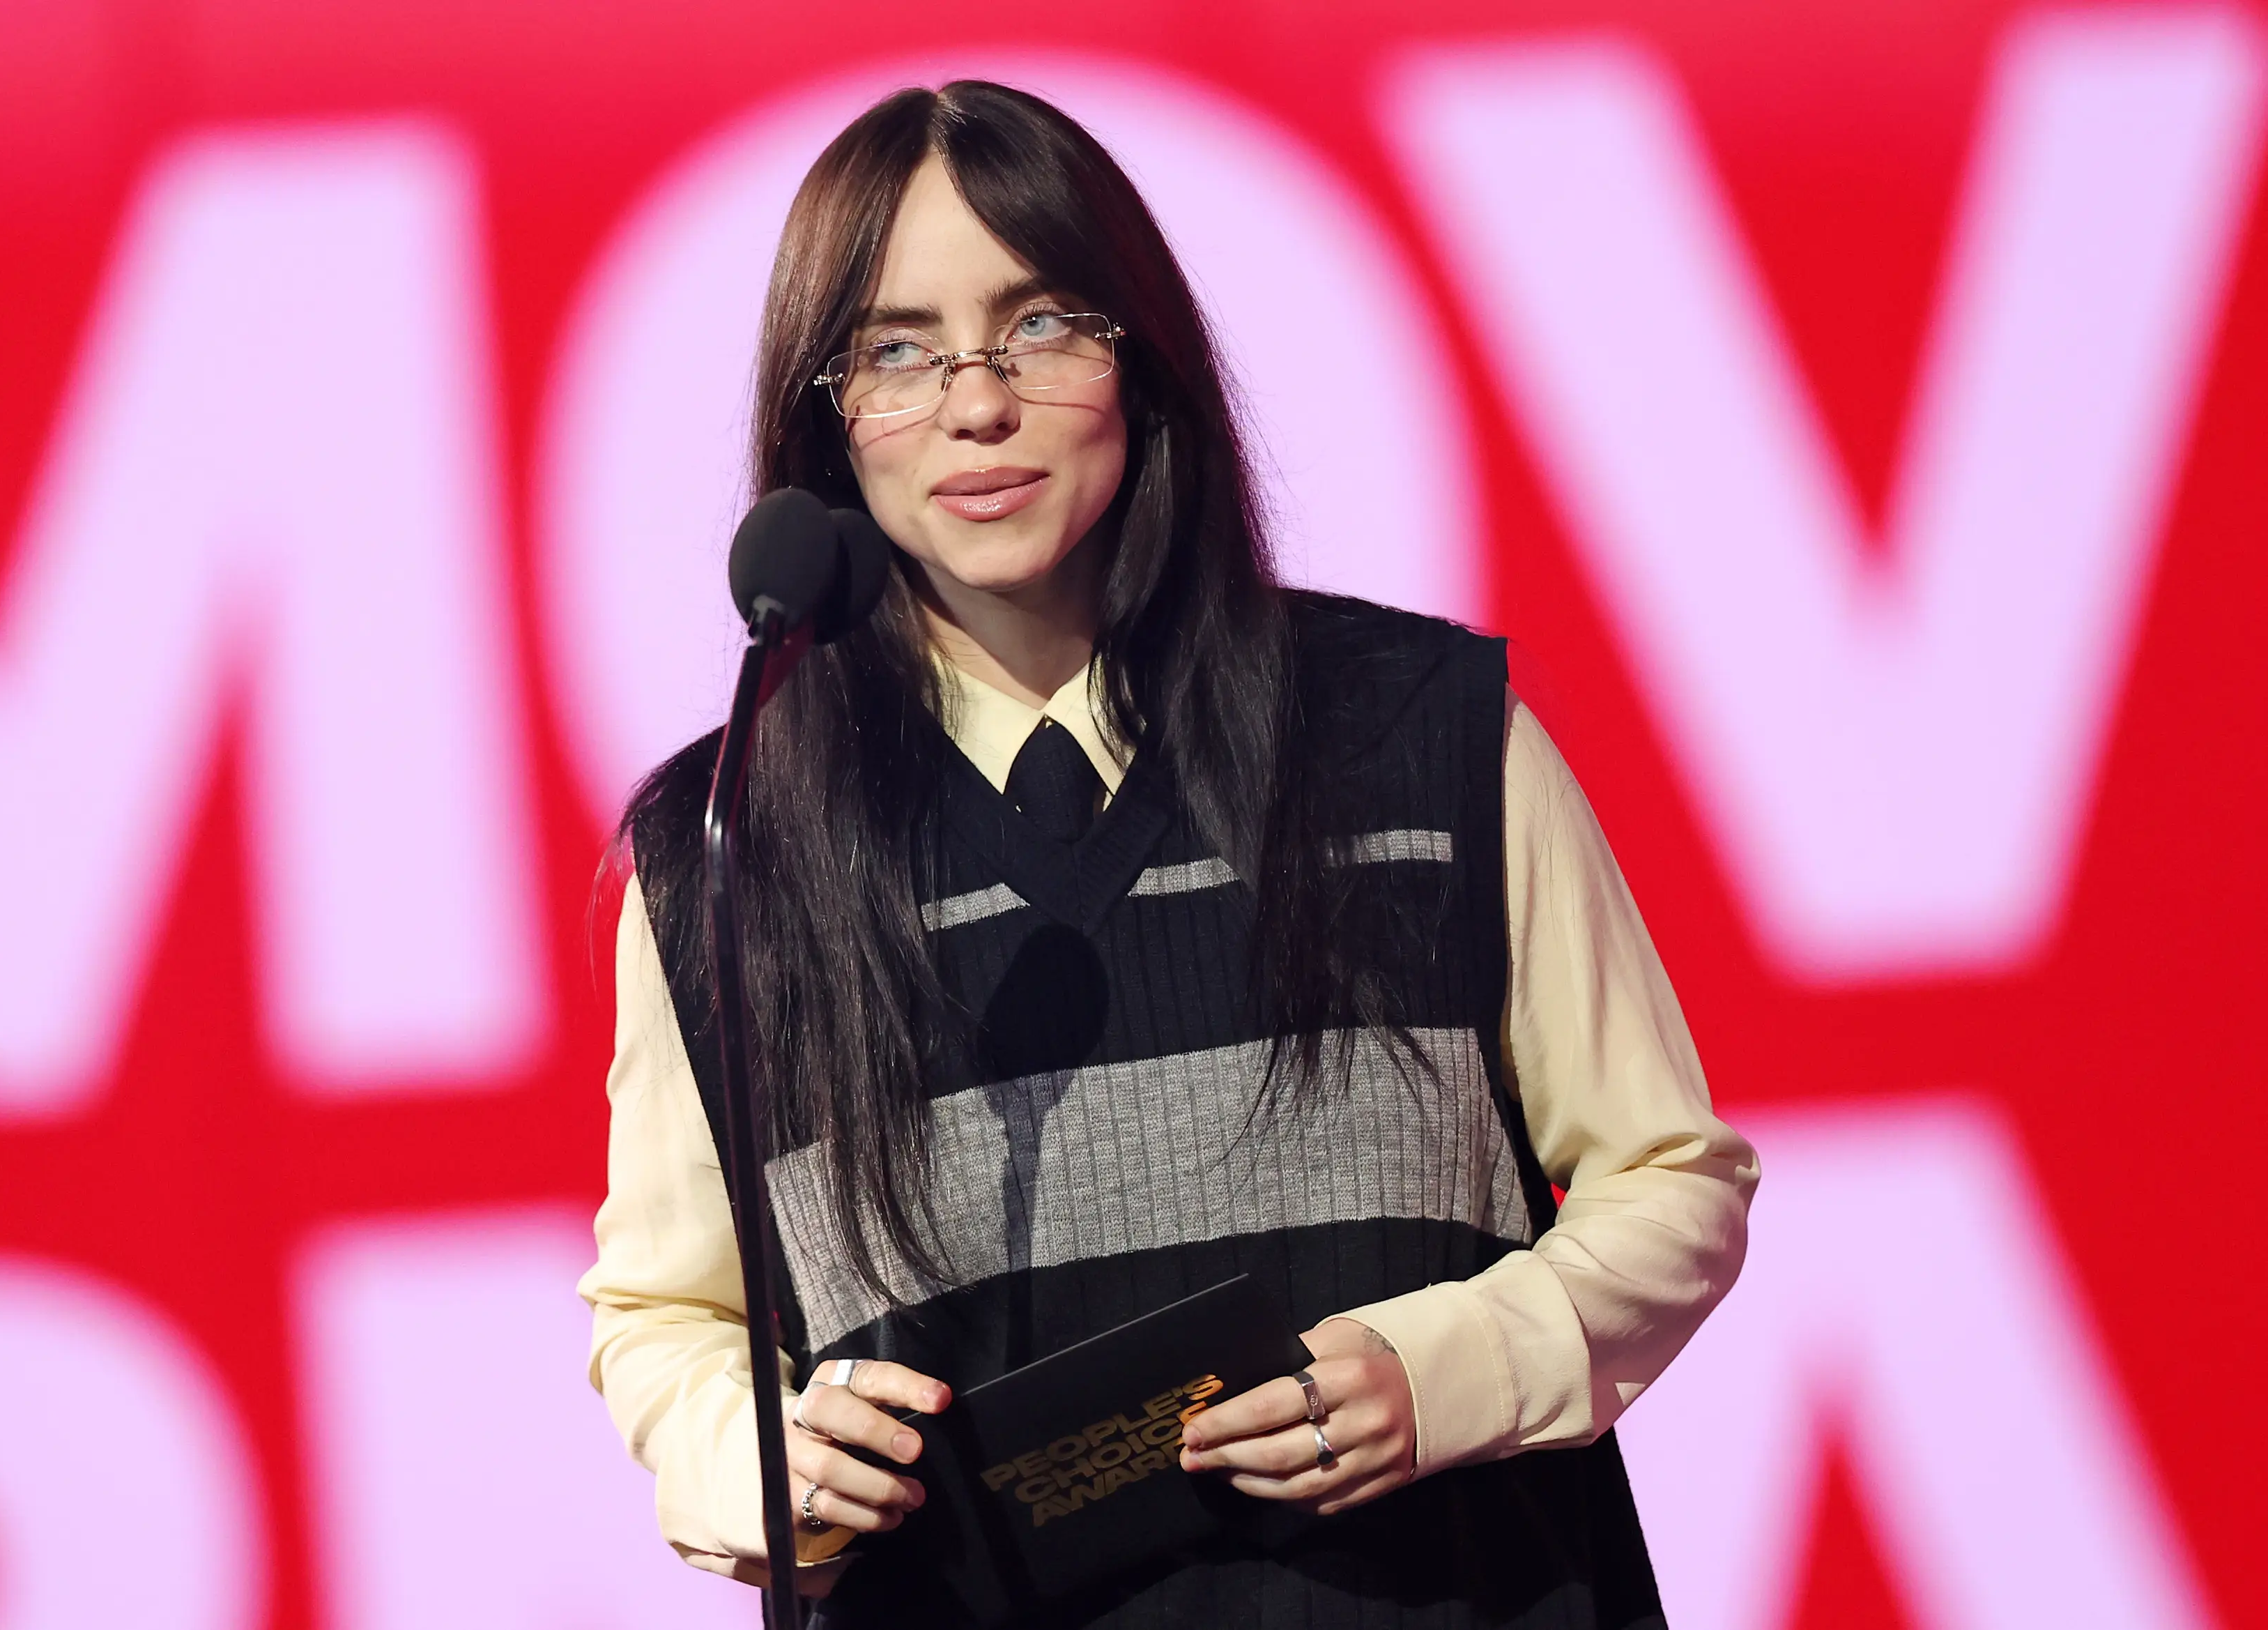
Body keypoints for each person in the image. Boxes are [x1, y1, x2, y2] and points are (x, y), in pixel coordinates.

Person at [577, 79, 1758, 1629]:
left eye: (1040, 325)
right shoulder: (730, 851)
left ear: (1141, 360)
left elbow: (1671, 1178)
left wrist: (1445, 1370)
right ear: (826, 418)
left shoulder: (1422, 734)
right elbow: (664, 1309)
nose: (977, 405)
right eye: (897, 351)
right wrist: (755, 1459)